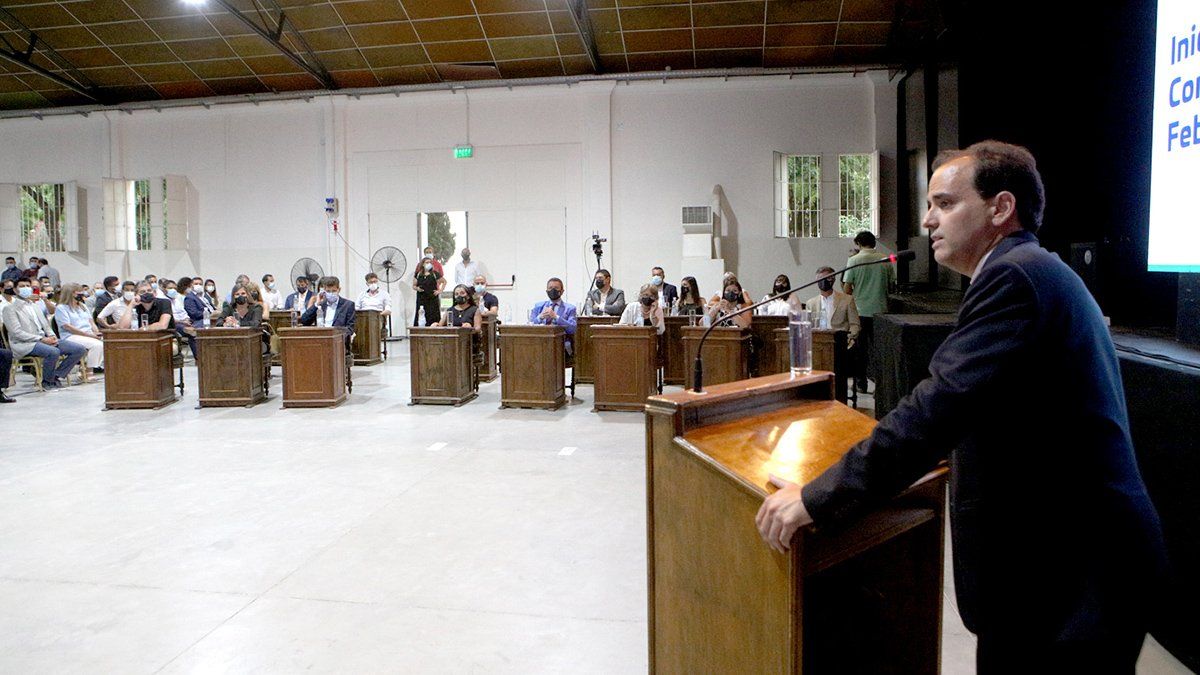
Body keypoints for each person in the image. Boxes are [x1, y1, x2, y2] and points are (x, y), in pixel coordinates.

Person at [756, 141, 1167, 672]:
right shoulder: (1032, 270)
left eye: (945, 204)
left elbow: (935, 410)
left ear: (1000, 208)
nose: (928, 220)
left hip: (1070, 574)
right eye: (929, 205)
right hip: (1068, 564)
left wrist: (817, 498)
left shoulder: (1014, 276)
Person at [2, 278, 86, 389]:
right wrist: (41, 339)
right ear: (15, 290)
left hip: (44, 339)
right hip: (24, 343)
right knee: (53, 352)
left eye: (28, 285)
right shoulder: (9, 309)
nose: (26, 288)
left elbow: (46, 325)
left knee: (79, 349)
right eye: (22, 286)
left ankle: (56, 375)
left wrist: (52, 336)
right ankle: (47, 382)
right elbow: (16, 333)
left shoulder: (35, 306)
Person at [842, 230, 896, 393]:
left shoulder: (854, 260)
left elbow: (847, 288)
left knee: (860, 350)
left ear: (858, 243)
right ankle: (881, 385)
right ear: (874, 243)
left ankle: (861, 383)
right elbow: (892, 285)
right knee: (880, 351)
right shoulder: (885, 259)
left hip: (860, 311)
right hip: (882, 311)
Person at [53, 283, 104, 375]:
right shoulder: (61, 308)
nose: (81, 294)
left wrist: (96, 332)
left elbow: (91, 321)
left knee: (107, 342)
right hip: (71, 335)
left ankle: (96, 366)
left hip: (88, 333)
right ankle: (89, 371)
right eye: (78, 292)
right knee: (97, 345)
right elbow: (67, 326)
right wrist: (90, 335)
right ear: (70, 294)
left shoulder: (83, 306)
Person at [804, 266, 860, 347]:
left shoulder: (847, 299)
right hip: (818, 342)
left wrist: (850, 338)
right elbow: (807, 326)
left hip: (840, 341)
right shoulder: (810, 303)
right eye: (820, 279)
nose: (823, 281)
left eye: (826, 278)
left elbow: (855, 324)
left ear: (833, 279)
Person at [528, 277, 577, 353]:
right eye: (550, 288)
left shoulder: (570, 308)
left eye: (556, 288)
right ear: (546, 291)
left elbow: (572, 329)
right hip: (540, 342)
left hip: (560, 344)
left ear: (562, 291)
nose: (553, 290)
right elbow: (530, 325)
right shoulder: (539, 306)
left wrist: (556, 317)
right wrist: (540, 317)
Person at [412, 256, 444, 326]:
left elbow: (444, 281)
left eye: (430, 263)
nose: (429, 264)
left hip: (432, 298)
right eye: (427, 262)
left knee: (433, 316)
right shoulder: (418, 274)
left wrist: (440, 291)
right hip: (421, 298)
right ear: (423, 264)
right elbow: (414, 286)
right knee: (421, 315)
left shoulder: (434, 273)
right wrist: (417, 289)